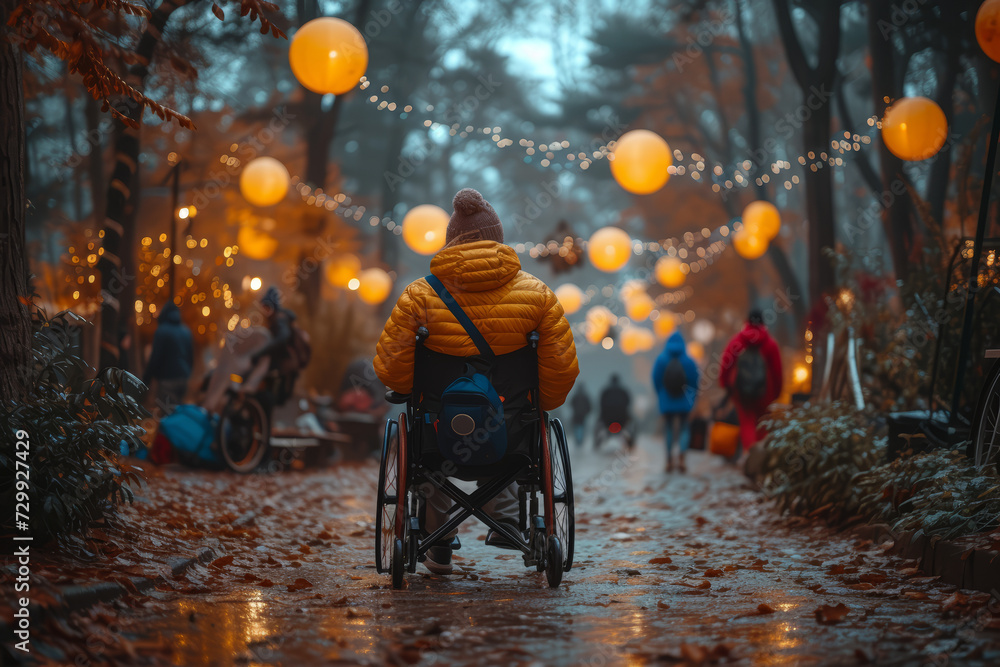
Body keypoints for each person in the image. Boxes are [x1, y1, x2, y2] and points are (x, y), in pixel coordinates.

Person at [374, 188, 579, 575]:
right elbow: (561, 370)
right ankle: (506, 517)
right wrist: (539, 405)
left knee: (429, 442)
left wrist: (404, 389)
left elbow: (391, 368)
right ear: (498, 240)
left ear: (451, 242)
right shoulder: (538, 296)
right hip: (511, 436)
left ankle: (436, 543)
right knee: (502, 419)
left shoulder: (419, 296)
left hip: (439, 437)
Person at [720, 309, 783, 454]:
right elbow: (777, 371)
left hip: (740, 389)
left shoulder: (737, 341)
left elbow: (726, 364)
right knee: (762, 422)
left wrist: (725, 383)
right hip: (765, 391)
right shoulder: (771, 344)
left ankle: (749, 452)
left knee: (746, 421)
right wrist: (777, 392)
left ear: (746, 322)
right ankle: (761, 455)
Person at [652, 330, 700, 473]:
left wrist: (660, 395)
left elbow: (656, 380)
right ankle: (682, 458)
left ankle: (669, 460)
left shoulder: (661, 360)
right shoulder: (689, 361)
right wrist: (693, 398)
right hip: (684, 401)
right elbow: (694, 382)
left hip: (666, 401)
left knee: (668, 429)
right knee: (684, 428)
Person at [251, 287, 302, 409]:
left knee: (269, 399)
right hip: (284, 366)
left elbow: (282, 338)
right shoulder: (278, 318)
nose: (264, 310)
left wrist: (261, 353)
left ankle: (265, 425)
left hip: (283, 367)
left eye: (266, 307)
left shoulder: (279, 318)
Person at [143, 302, 194, 411]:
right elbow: (190, 357)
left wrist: (147, 379)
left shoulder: (162, 331)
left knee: (166, 413)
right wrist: (187, 373)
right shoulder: (186, 331)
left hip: (167, 379)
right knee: (177, 411)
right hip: (182, 378)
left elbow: (155, 357)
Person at [595, 374, 632, 450]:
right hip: (622, 418)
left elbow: (601, 403)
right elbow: (628, 402)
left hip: (607, 419)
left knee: (597, 426)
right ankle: (631, 443)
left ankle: (596, 443)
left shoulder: (605, 391)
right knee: (632, 425)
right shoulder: (623, 391)